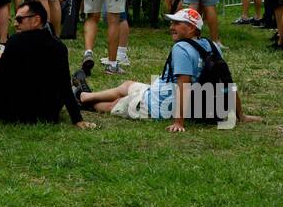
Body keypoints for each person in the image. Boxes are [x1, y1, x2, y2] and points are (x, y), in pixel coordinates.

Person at [75, 8, 256, 129]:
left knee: (116, 105)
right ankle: (84, 96)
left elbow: (182, 86)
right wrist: (241, 115)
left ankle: (81, 103)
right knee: (127, 85)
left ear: (192, 28)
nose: (171, 27)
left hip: (159, 104)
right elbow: (227, 81)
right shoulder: (211, 45)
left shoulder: (181, 49)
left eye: (177, 24)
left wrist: (179, 122)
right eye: (172, 23)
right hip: (159, 91)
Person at [0, 1, 93, 129]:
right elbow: (64, 86)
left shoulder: (14, 42)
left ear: (36, 20)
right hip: (48, 114)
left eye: (19, 19)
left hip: (15, 113)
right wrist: (77, 119)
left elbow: (0, 82)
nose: (15, 24)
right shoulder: (59, 47)